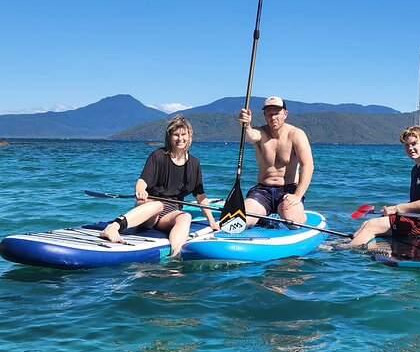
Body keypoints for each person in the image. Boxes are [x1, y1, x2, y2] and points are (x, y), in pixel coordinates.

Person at [100, 114, 220, 256]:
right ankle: (113, 227)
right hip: (149, 208)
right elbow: (141, 182)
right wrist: (141, 191)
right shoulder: (158, 156)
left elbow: (200, 196)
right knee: (158, 205)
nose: (180, 138)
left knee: (186, 216)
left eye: (183, 134)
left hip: (170, 214)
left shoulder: (194, 163)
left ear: (189, 136)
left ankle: (174, 256)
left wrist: (212, 222)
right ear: (169, 137)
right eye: (176, 135)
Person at [347, 125, 420, 246]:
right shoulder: (416, 169)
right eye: (407, 145)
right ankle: (343, 244)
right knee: (366, 224)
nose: (410, 148)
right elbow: (416, 204)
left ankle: (344, 254)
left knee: (371, 226)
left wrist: (396, 208)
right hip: (417, 219)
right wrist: (394, 211)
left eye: (414, 144)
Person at [238, 96, 314, 228]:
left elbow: (308, 166)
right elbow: (250, 136)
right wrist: (246, 125)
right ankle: (262, 216)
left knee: (294, 223)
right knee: (241, 222)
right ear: (264, 115)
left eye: (277, 113)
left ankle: (300, 213)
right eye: (269, 114)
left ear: (285, 114)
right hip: (262, 191)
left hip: (288, 190)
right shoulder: (261, 133)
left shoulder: (296, 134)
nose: (273, 117)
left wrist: (297, 195)